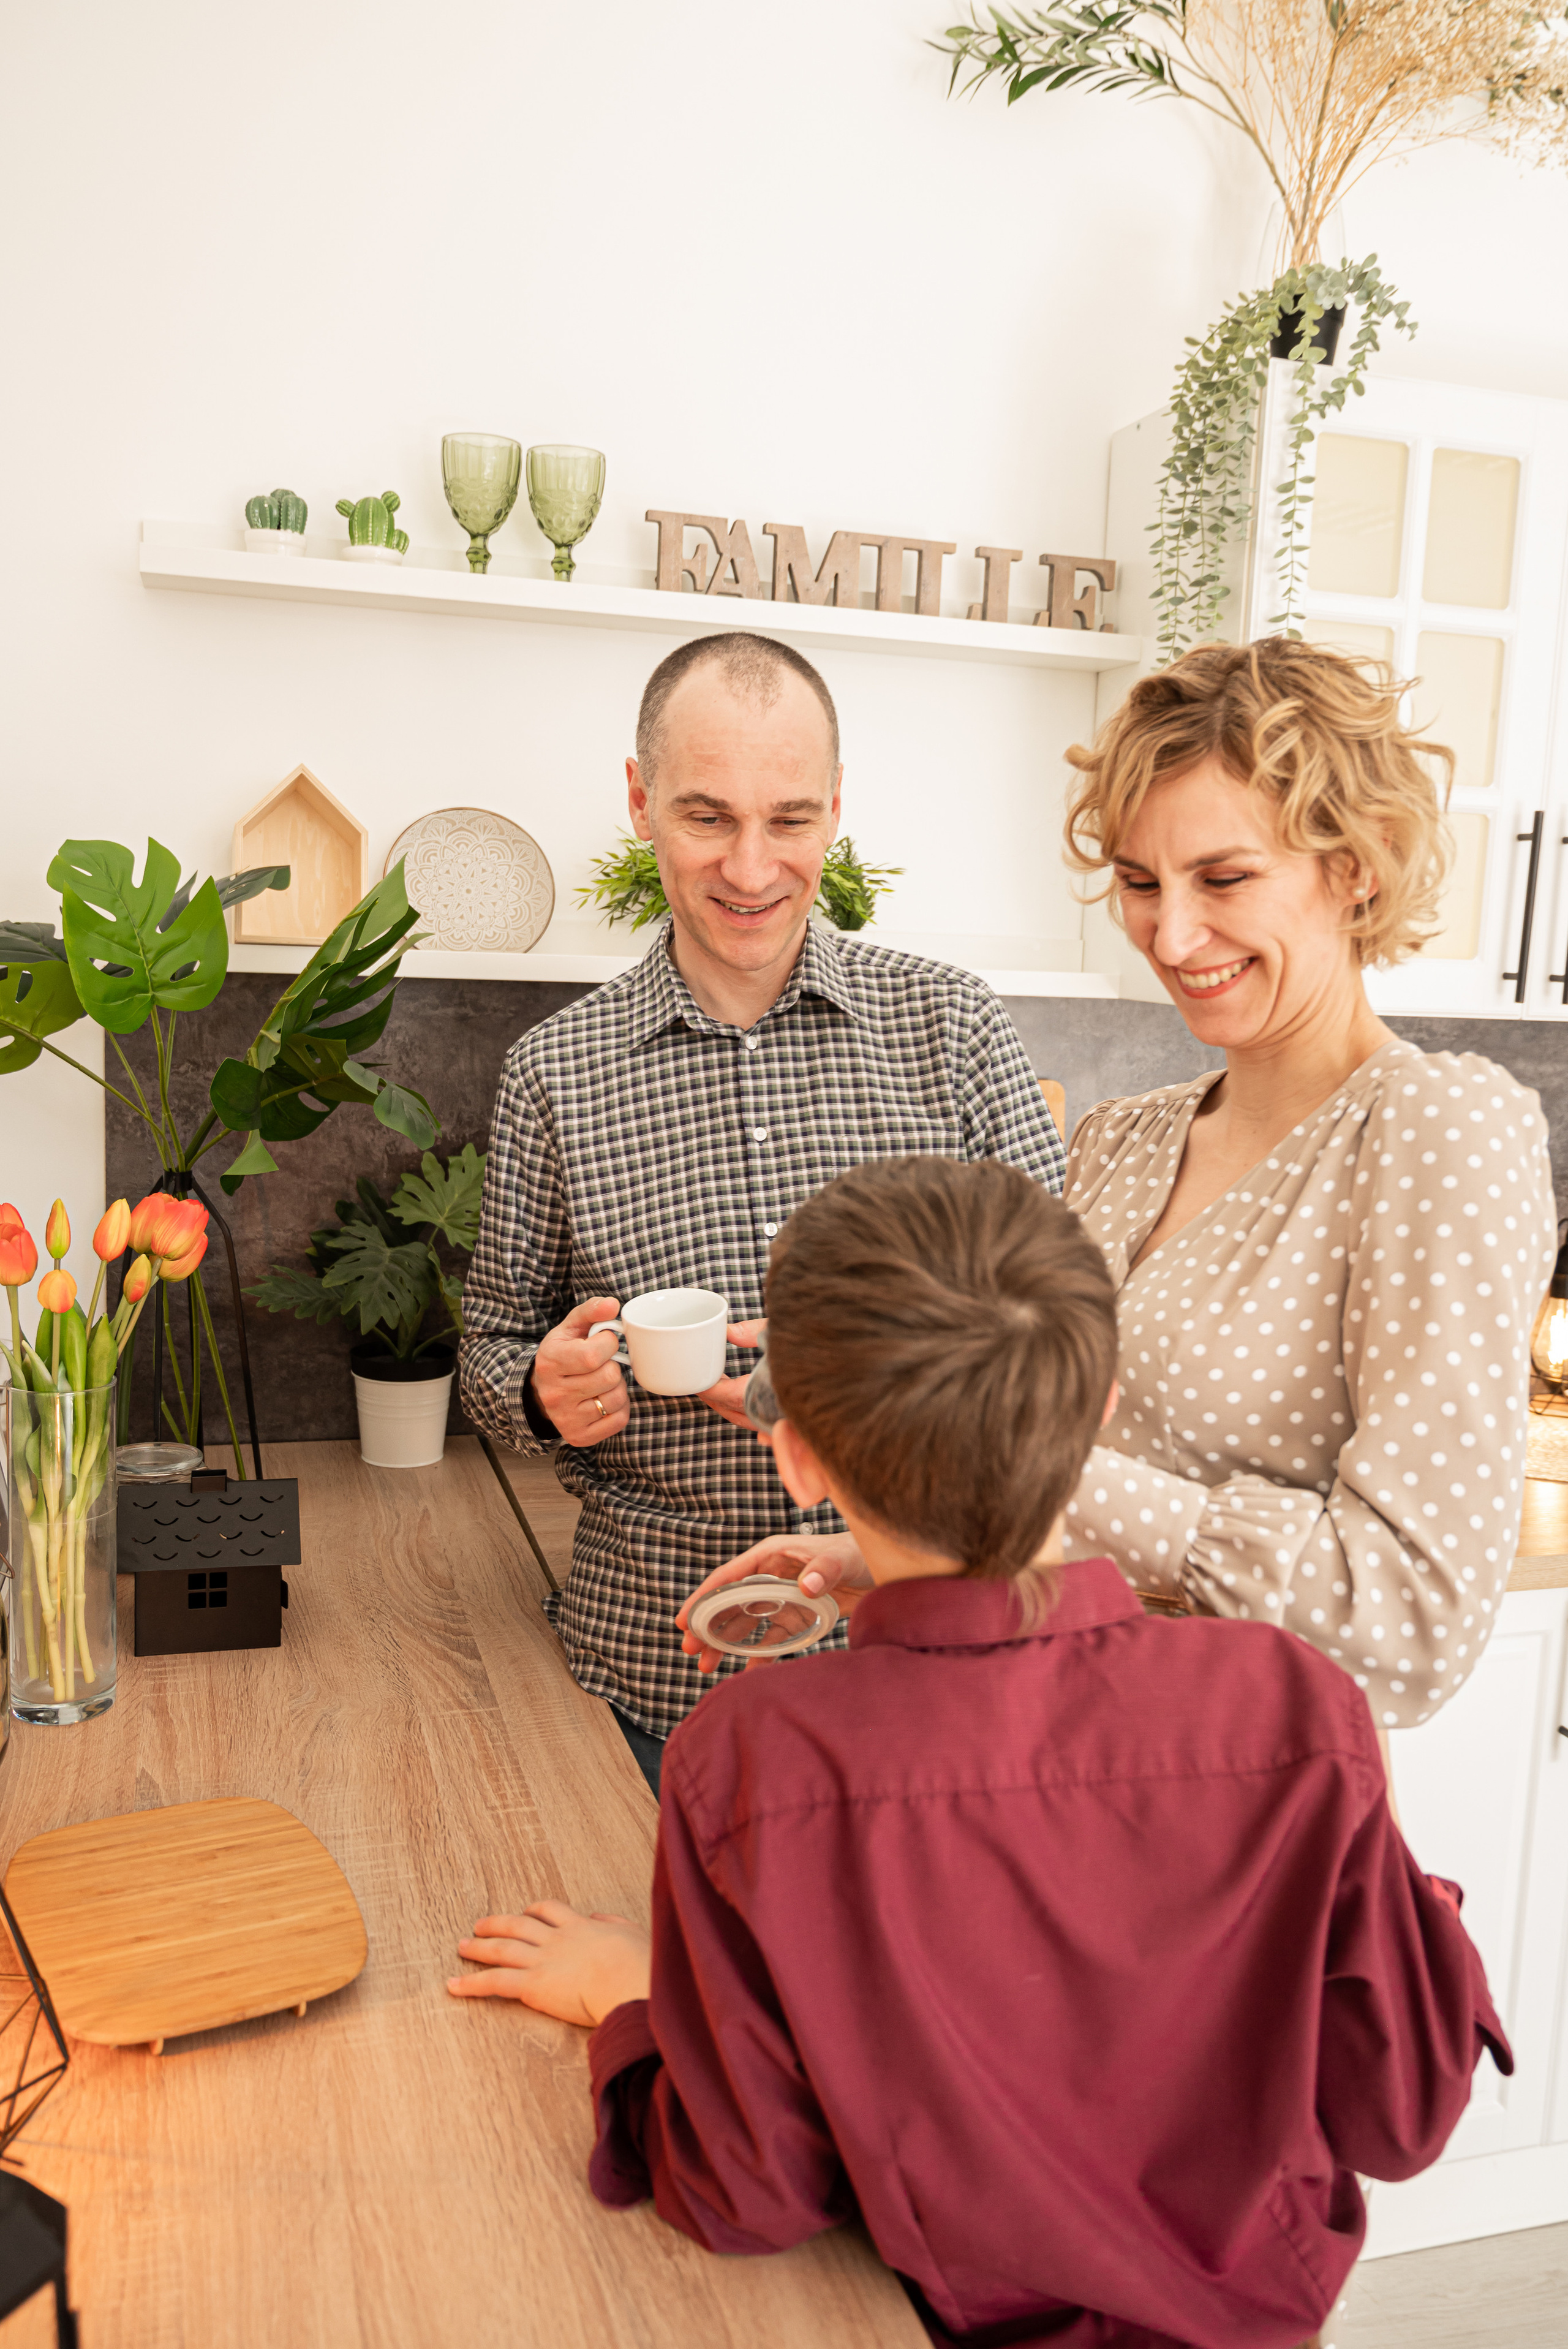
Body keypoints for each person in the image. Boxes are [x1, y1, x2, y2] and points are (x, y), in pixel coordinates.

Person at [447, 1157, 1509, 2349]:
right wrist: (1370, 1836)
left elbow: (746, 2190)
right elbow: (1401, 2113)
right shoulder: (1291, 1704)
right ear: (1102, 1411)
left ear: (795, 1457)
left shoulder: (748, 1761)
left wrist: (638, 2001)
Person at [692, 639, 1558, 1735]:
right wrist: (902, 1547)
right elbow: (1091, 1493)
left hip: (1244, 1793)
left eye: (1225, 878)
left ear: (1359, 864)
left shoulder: (1438, 1130)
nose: (1173, 934)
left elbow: (1409, 1626)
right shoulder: (1123, 1138)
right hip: (1058, 1756)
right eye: (1142, 883)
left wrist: (1004, 1472)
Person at [459, 630, 1065, 1792]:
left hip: (931, 1676)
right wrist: (540, 1391)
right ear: (640, 801)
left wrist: (869, 1363)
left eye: (789, 818)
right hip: (655, 1679)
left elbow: (1072, 1343)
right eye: (707, 815)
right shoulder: (554, 1071)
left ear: (836, 807)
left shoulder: (953, 1028)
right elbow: (490, 1346)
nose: (750, 867)